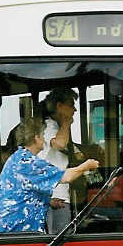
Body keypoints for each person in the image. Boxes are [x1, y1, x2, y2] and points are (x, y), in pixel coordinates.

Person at [0, 117, 99, 235]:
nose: (44, 138)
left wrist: (49, 201)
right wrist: (86, 165)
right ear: (36, 137)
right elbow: (66, 177)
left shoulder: (17, 157)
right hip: (14, 230)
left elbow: (22, 191)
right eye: (42, 135)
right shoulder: (29, 162)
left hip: (4, 228)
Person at [40, 86, 84, 233]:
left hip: (59, 194)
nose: (75, 110)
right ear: (59, 106)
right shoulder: (48, 126)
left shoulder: (57, 128)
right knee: (58, 242)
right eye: (71, 105)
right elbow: (59, 144)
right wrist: (66, 122)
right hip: (54, 198)